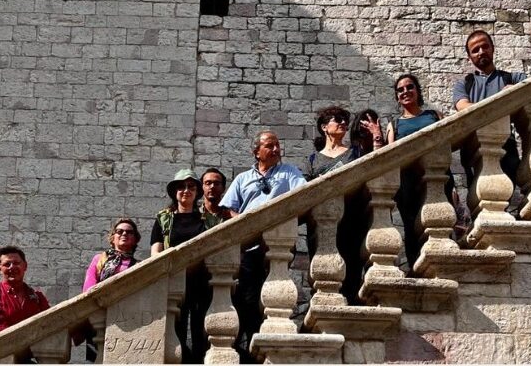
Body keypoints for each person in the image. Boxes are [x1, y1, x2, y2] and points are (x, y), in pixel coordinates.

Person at [219, 131, 306, 362]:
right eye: (270, 146)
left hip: (277, 245)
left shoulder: (290, 172)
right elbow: (228, 208)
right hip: (249, 248)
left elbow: (305, 195)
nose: (276, 149)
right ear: (256, 152)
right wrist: (246, 226)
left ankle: (270, 344)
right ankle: (251, 345)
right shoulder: (243, 178)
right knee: (248, 297)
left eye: (278, 145)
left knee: (274, 295)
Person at [150, 169, 225, 363]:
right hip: (174, 284)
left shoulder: (208, 220)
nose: (186, 190)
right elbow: (155, 253)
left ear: (197, 192)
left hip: (201, 284)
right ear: (174, 192)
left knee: (202, 332)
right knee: (176, 332)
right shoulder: (164, 220)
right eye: (181, 187)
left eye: (191, 187)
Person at [304, 106, 377, 305]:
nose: (343, 123)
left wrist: (377, 137)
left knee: (351, 264)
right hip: (322, 221)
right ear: (324, 127)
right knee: (322, 264)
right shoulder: (313, 160)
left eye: (345, 120)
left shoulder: (356, 152)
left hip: (351, 219)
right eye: (338, 120)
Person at [387, 74, 458, 269]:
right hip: (408, 182)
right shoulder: (394, 125)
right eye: (400, 90)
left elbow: (447, 142)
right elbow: (391, 157)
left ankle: (445, 263)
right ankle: (416, 266)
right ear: (397, 97)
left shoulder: (434, 116)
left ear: (418, 91)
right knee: (412, 226)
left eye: (410, 87)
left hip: (438, 176)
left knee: (442, 219)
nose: (405, 92)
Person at [453, 30, 527, 186]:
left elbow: (530, 89)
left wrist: (516, 91)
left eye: (484, 46)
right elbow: (463, 107)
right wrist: (503, 101)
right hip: (474, 147)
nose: (481, 52)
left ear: (492, 48)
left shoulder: (514, 78)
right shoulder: (463, 84)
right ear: (469, 57)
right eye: (475, 50)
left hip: (506, 145)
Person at [80, 218, 141, 362]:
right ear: (113, 237)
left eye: (129, 232)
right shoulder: (100, 259)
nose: (124, 234)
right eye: (120, 231)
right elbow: (89, 287)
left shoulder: (139, 265)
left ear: (135, 239)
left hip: (125, 319)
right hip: (99, 316)